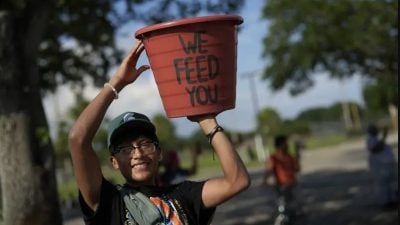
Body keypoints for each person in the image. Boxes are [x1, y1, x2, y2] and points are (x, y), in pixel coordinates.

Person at [68, 41, 250, 225]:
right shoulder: (109, 203)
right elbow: (78, 140)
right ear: (114, 162)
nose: (138, 154)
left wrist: (208, 121)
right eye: (125, 149)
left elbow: (237, 181)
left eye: (145, 144)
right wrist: (117, 83)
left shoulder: (183, 195)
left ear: (159, 152)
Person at [263, 135, 301, 222]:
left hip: (293, 185)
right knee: (284, 205)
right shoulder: (274, 158)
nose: (287, 145)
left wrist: (297, 159)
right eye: (285, 143)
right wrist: (264, 181)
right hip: (282, 186)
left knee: (294, 206)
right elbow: (268, 170)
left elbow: (297, 169)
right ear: (280, 145)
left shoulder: (289, 157)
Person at [366, 124, 398, 210]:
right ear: (370, 131)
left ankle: (391, 201)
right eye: (374, 129)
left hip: (386, 165)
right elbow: (375, 149)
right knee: (383, 185)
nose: (377, 130)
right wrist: (384, 137)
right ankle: (385, 203)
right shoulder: (370, 139)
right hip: (380, 166)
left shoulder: (375, 138)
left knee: (389, 184)